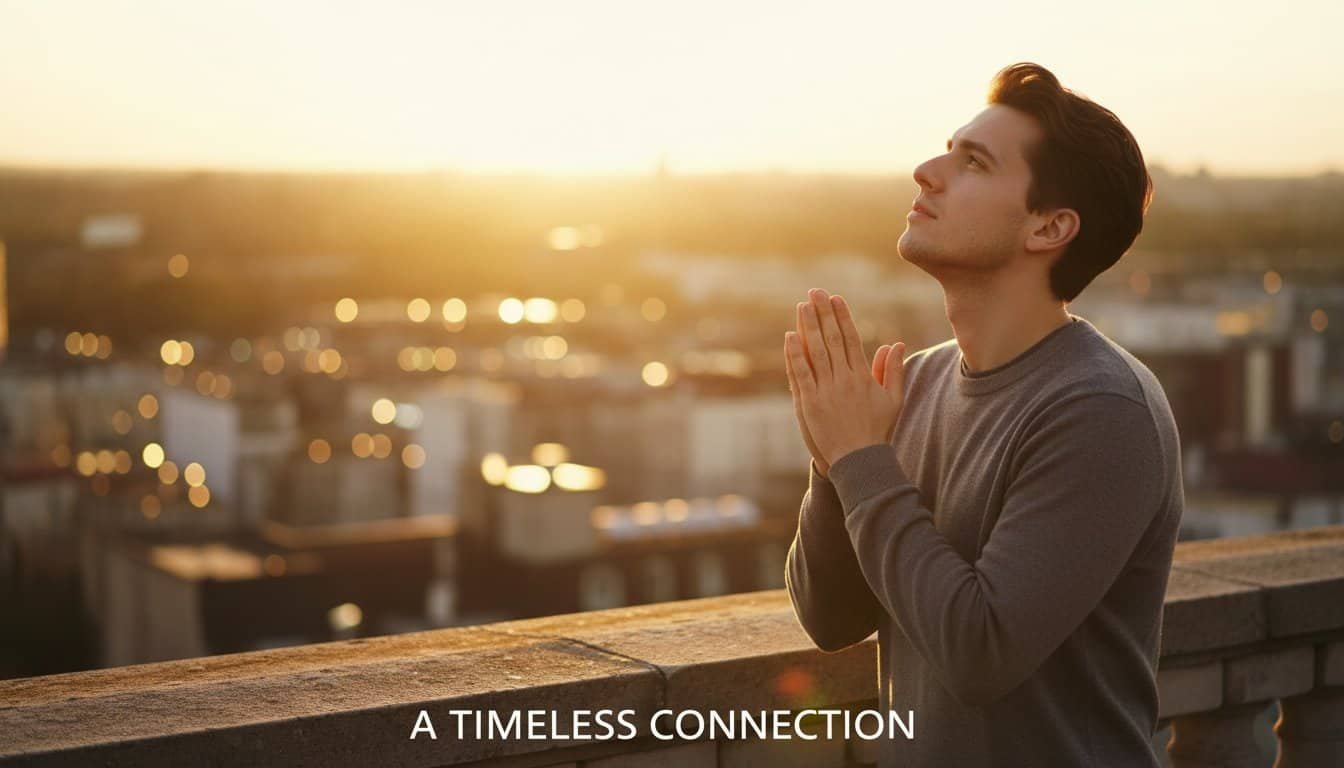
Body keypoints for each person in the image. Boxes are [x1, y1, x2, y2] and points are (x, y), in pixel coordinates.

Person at [783, 62, 1183, 767]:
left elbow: (980, 652)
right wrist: (833, 460)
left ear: (1049, 226)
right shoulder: (915, 384)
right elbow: (830, 618)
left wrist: (860, 460)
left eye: (973, 163)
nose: (926, 172)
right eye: (948, 150)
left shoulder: (1101, 409)